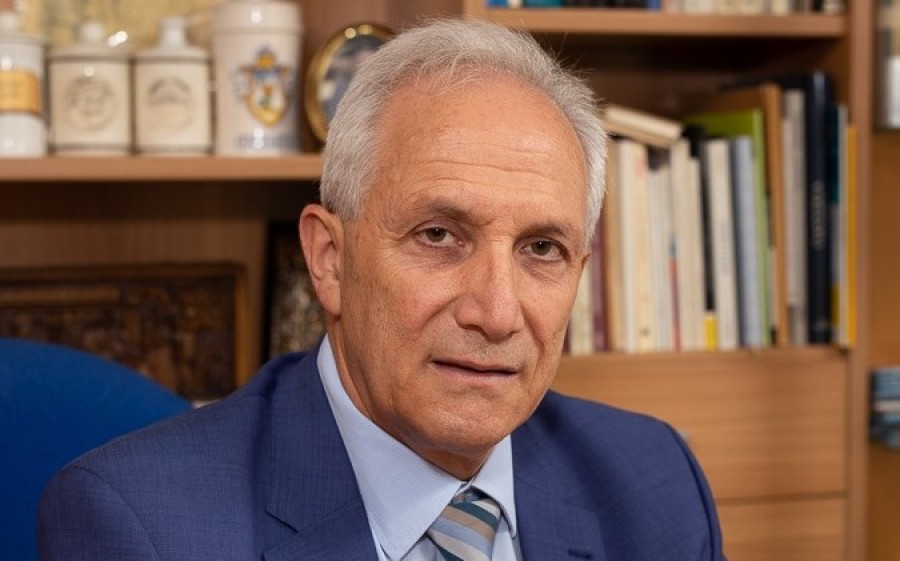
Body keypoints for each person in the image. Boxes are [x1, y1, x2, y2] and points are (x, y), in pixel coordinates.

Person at [38, 18, 727, 561]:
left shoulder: (656, 484)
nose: (496, 313)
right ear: (330, 259)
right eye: (439, 235)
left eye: (542, 249)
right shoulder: (142, 526)